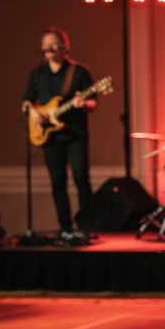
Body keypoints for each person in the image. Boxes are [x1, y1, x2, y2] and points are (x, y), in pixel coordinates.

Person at [23, 27, 97, 238]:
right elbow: (27, 100)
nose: (50, 49)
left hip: (75, 134)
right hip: (50, 135)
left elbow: (93, 102)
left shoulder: (79, 72)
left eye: (54, 44)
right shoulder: (38, 74)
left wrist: (83, 103)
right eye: (46, 45)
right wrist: (34, 113)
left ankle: (86, 226)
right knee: (57, 181)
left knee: (81, 177)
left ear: (64, 48)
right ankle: (65, 227)